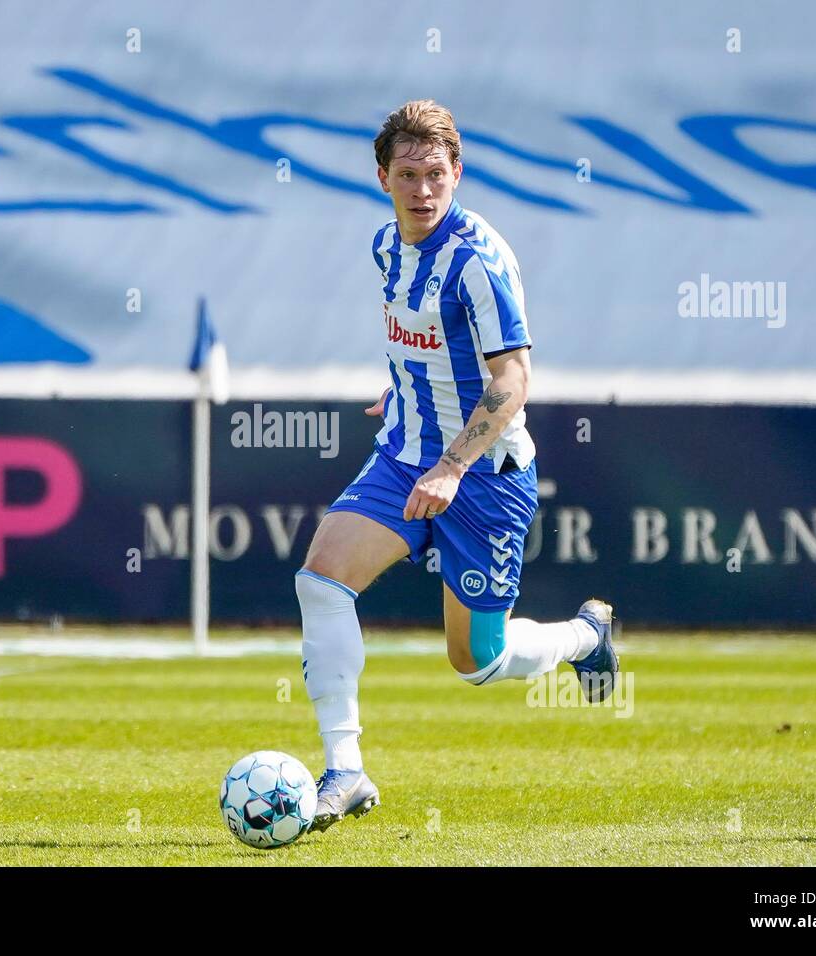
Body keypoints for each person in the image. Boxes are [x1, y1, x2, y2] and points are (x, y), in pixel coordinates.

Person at [296, 99, 619, 832]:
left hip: (482, 478)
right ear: (382, 177)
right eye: (407, 174)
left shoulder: (478, 263)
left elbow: (511, 381)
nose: (423, 190)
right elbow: (429, 346)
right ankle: (345, 770)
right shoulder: (386, 247)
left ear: (457, 172)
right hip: (405, 454)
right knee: (321, 579)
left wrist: (449, 468)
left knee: (477, 660)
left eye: (436, 174)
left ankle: (584, 637)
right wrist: (404, 389)